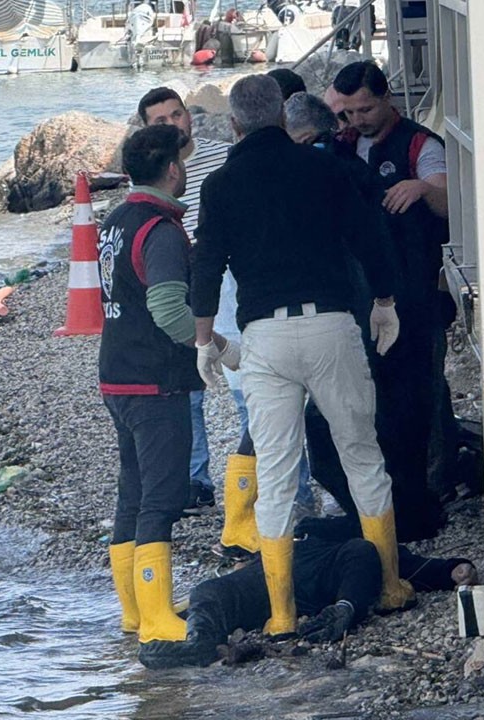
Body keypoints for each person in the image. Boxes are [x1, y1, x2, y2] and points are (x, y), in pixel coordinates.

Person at [192, 75, 411, 637]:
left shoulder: (218, 186)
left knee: (278, 471)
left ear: (235, 125)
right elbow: (369, 237)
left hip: (264, 335)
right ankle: (388, 583)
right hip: (332, 325)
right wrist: (384, 300)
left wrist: (202, 339)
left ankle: (283, 613)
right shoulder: (324, 167)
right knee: (361, 453)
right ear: (282, 120)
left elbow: (208, 267)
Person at [98, 125, 238, 649]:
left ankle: (135, 611)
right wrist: (214, 345)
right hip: (154, 381)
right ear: (174, 169)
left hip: (117, 374)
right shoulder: (159, 229)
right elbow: (166, 309)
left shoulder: (115, 219)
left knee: (132, 494)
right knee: (161, 498)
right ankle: (157, 618)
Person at [330, 61, 453, 537]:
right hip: (361, 291)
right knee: (371, 391)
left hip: (416, 287)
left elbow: (448, 199)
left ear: (387, 99)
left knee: (422, 387)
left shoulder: (420, 144)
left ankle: (432, 481)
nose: (358, 119)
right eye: (350, 111)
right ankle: (384, 490)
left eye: (365, 108)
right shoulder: (343, 146)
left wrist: (422, 187)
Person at [139, 513, 477, 668]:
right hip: (275, 571)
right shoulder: (300, 528)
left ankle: (345, 609)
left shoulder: (356, 538)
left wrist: (452, 569)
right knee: (210, 590)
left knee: (363, 552)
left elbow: (406, 562)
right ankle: (199, 643)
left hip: (331, 567)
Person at [138, 87, 231, 514]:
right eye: (160, 121)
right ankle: (196, 481)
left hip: (227, 278)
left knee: (246, 380)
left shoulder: (223, 156)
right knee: (187, 385)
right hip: (178, 281)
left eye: (177, 114)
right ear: (146, 129)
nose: (173, 124)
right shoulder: (149, 173)